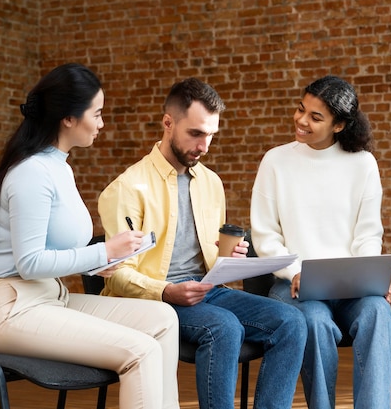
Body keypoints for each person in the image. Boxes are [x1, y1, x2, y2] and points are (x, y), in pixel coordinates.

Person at [0, 63, 180, 409]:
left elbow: (56, 249)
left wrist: (104, 262)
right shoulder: (31, 173)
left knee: (164, 320)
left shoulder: (60, 167)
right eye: (96, 114)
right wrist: (101, 253)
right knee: (140, 351)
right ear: (68, 118)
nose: (102, 123)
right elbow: (30, 262)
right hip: (13, 309)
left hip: (52, 298)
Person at [97, 77, 307, 409]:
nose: (204, 146)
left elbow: (211, 262)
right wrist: (166, 291)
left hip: (207, 291)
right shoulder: (127, 188)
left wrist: (230, 259)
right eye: (195, 133)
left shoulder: (211, 183)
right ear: (168, 123)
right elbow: (118, 278)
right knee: (223, 327)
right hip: (156, 299)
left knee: (292, 322)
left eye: (210, 135)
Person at [250, 75, 391, 409]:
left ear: (339, 125)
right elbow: (264, 236)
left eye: (315, 117)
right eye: (301, 109)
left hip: (349, 288)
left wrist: (369, 277)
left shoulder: (363, 164)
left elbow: (367, 233)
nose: (302, 121)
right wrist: (294, 272)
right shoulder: (276, 161)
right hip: (293, 287)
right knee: (314, 322)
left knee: (378, 312)